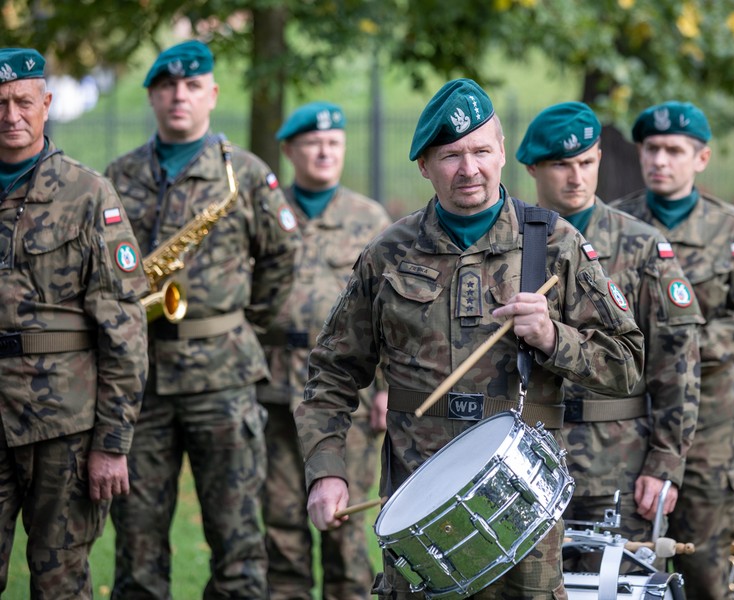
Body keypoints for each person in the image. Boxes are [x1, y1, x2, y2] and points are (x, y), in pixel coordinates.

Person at [297, 78, 645, 599]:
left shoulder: (553, 244)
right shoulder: (389, 253)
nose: (469, 169)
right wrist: (326, 470)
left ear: (503, 152)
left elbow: (626, 364)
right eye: (451, 155)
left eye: (482, 150)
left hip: (523, 510)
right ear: (424, 165)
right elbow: (330, 373)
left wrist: (553, 337)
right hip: (420, 508)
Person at [104, 40, 301, 599]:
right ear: (151, 96)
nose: (179, 96)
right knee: (136, 549)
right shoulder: (118, 175)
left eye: (192, 86)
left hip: (223, 379)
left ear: (212, 93)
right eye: (167, 86)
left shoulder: (244, 172)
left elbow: (283, 256)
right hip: (139, 381)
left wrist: (239, 319)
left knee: (238, 544)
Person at [516, 101, 703, 543]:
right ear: (532, 168)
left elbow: (677, 364)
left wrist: (664, 464)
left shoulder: (641, 247)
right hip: (526, 462)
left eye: (585, 162)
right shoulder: (509, 244)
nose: (576, 177)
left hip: (620, 463)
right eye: (561, 164)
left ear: (599, 158)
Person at [0, 48, 148, 597]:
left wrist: (112, 441)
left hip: (61, 424)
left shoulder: (88, 194)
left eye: (22, 102)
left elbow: (124, 329)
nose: (11, 115)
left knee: (60, 583)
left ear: (46, 104)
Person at [612, 101, 734, 600]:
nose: (661, 160)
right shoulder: (617, 224)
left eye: (674, 151)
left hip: (707, 422)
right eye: (652, 149)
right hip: (633, 415)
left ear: (700, 159)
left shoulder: (729, 228)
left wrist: (686, 346)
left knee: (703, 560)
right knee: (629, 563)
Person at [257, 101, 391, 600]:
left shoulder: (367, 219)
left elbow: (388, 314)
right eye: (313, 143)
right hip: (274, 390)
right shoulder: (269, 213)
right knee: (281, 527)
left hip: (344, 402)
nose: (324, 152)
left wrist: (385, 389)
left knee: (346, 532)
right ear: (290, 150)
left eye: (334, 143)